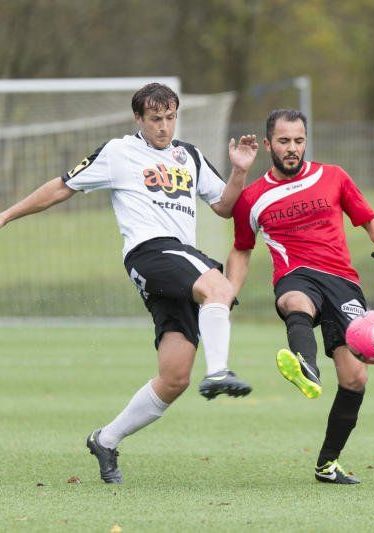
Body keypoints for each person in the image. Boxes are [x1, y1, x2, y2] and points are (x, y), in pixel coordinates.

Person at [0, 83, 259, 482]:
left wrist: (240, 171)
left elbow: (224, 206)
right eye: (156, 119)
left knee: (174, 378)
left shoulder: (188, 155)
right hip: (150, 253)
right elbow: (60, 187)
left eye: (170, 117)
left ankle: (105, 439)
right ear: (138, 119)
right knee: (219, 287)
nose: (164, 127)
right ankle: (220, 371)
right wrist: (6, 215)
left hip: (176, 265)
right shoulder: (118, 152)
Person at [227, 109, 374, 484]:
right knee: (295, 303)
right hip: (296, 274)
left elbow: (369, 218)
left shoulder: (333, 176)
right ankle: (306, 365)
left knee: (355, 380)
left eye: (299, 141)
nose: (292, 149)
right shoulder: (252, 198)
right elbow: (242, 250)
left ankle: (327, 463)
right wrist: (228, 292)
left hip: (342, 282)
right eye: (284, 141)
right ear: (268, 143)